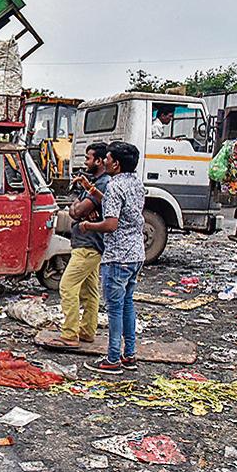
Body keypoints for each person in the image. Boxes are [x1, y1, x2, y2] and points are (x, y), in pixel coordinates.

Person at [78, 141, 146, 374]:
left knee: (114, 309)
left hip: (118, 256)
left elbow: (111, 224)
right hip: (136, 253)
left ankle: (113, 358)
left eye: (106, 158)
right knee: (127, 304)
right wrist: (92, 189)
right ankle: (129, 355)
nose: (103, 161)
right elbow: (117, 205)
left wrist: (88, 225)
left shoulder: (115, 186)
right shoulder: (135, 183)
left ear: (116, 163)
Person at [50, 142, 110, 349]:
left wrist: (77, 208)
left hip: (88, 245)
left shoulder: (102, 185)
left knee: (67, 286)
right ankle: (87, 332)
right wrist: (79, 206)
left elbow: (76, 211)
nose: (86, 162)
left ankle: (69, 334)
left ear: (99, 161)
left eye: (88, 158)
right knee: (90, 291)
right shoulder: (95, 183)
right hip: (90, 245)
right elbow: (78, 208)